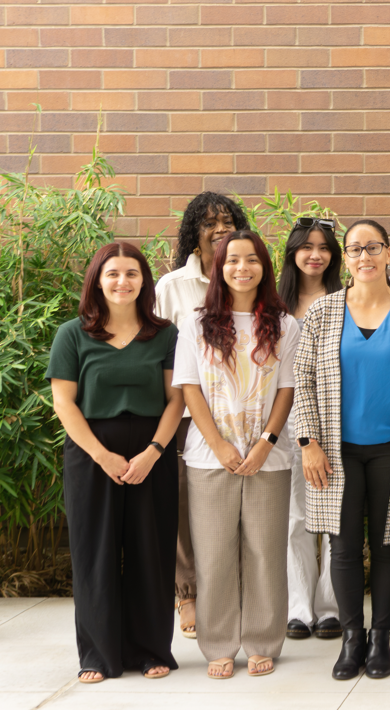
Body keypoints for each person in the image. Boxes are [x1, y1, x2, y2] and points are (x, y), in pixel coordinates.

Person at [291, 219, 390, 681]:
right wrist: (308, 443)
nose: (365, 256)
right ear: (345, 258)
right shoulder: (322, 312)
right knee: (344, 547)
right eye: (355, 249)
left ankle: (381, 640)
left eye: (373, 247)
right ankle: (352, 639)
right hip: (335, 452)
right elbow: (304, 383)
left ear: (389, 253)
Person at [48, 242, 184, 683]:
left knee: (151, 551)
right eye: (113, 274)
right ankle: (98, 655)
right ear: (97, 280)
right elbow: (65, 403)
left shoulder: (165, 334)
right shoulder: (73, 334)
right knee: (95, 553)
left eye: (131, 273)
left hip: (152, 453)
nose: (122, 282)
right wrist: (102, 455)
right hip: (91, 454)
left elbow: (175, 400)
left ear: (144, 281)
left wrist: (153, 452)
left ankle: (150, 649)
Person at [175, 230, 300, 679]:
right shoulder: (195, 323)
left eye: (251, 260)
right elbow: (190, 388)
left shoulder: (285, 325)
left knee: (266, 551)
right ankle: (219, 644)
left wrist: (266, 441)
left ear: (264, 267)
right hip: (210, 458)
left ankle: (263, 640)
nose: (241, 268)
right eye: (232, 260)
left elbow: (287, 389)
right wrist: (220, 444)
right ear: (218, 267)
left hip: (270, 457)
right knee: (214, 554)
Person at [154, 191, 251, 639]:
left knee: (237, 510)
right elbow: (156, 353)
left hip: (241, 415)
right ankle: (188, 593)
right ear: (194, 234)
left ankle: (237, 594)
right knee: (183, 507)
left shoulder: (247, 277)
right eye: (209, 222)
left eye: (228, 221)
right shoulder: (173, 287)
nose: (219, 228)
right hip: (187, 415)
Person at [277, 218, 344, 642]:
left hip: (337, 421)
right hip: (286, 421)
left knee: (336, 516)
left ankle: (331, 606)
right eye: (306, 247)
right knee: (295, 517)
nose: (315, 254)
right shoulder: (275, 304)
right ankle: (299, 607)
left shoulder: (346, 300)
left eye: (323, 247)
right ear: (292, 253)